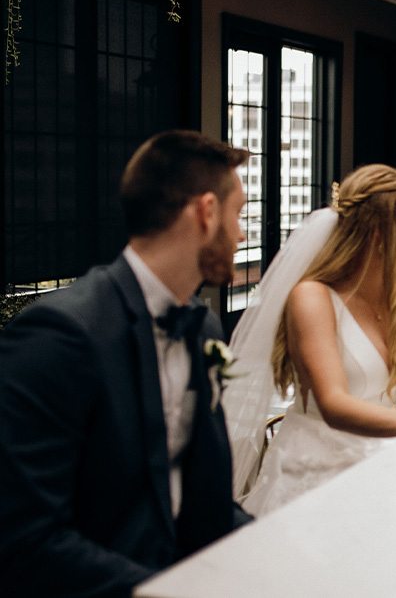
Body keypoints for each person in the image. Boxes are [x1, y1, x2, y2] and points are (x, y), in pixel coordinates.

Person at [0, 131, 252, 596]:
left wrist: (271, 546)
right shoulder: (60, 337)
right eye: (238, 213)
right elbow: (25, 539)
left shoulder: (203, 328)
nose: (241, 233)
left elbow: (198, 495)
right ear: (206, 212)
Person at [229, 165, 396, 516]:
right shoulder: (312, 297)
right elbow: (333, 403)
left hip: (386, 464)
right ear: (381, 233)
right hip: (315, 475)